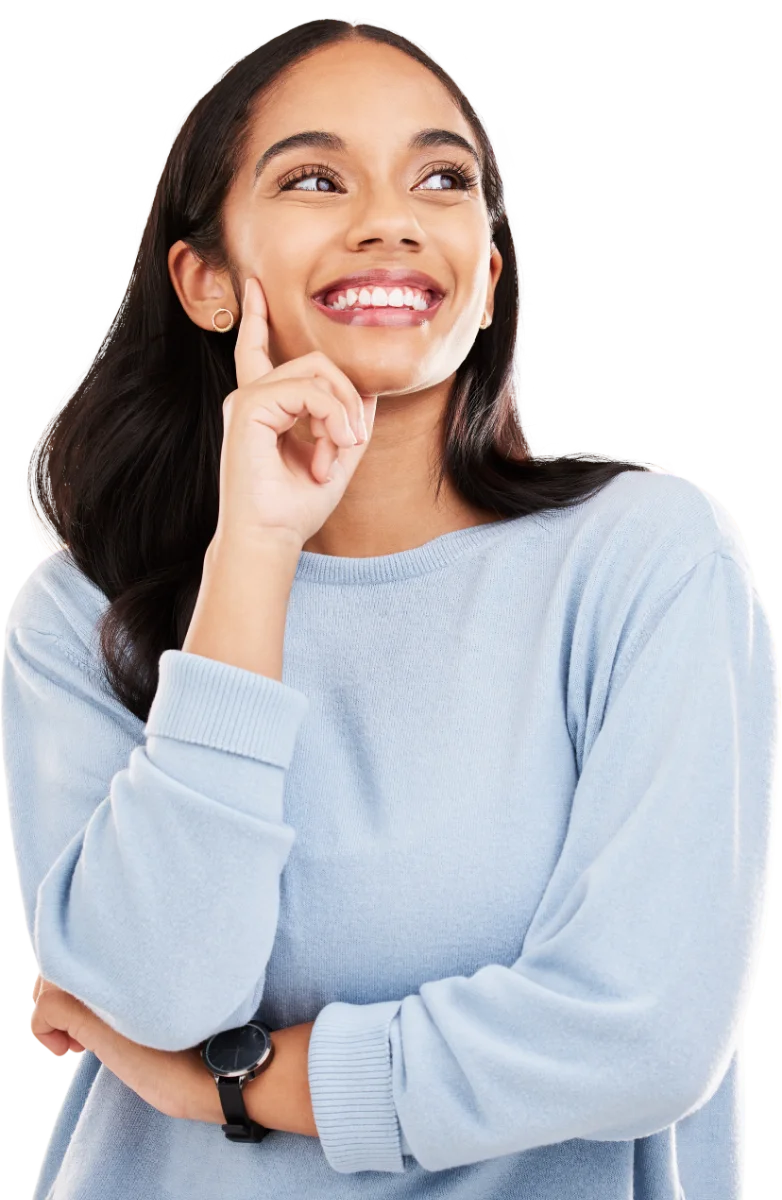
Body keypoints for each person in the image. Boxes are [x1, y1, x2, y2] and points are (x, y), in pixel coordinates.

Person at [5, 15, 777, 1200]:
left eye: (442, 178)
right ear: (205, 280)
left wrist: (229, 1083)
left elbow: (641, 1032)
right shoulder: (81, 616)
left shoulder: (641, 560)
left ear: (488, 268)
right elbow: (155, 992)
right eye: (315, 177)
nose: (389, 217)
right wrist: (256, 551)